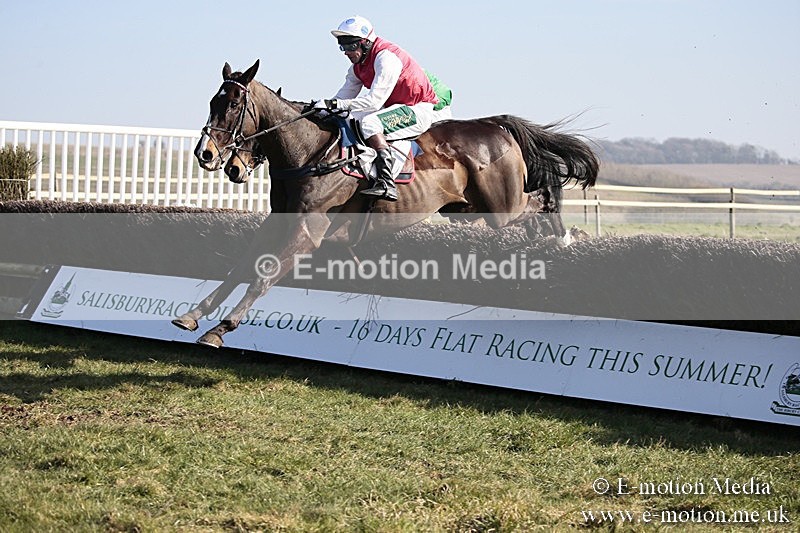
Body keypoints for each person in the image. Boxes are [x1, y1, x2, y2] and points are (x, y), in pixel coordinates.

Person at [314, 15, 452, 201]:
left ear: (366, 43)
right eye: (343, 46)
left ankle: (386, 183)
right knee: (345, 117)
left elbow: (373, 102)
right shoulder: (357, 67)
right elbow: (342, 98)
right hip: (397, 107)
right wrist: (319, 110)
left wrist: (336, 105)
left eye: (351, 46)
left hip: (419, 109)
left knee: (370, 123)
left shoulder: (386, 58)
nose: (346, 52)